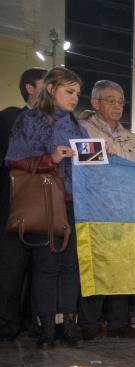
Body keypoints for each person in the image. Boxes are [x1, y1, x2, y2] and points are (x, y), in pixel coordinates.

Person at [5, 67, 89, 349]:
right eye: (69, 91)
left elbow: (90, 165)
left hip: (75, 202)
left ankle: (69, 324)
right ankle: (46, 329)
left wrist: (103, 154)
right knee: (46, 266)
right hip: (44, 201)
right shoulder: (29, 120)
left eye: (77, 93)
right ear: (51, 89)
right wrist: (49, 159)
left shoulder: (78, 127)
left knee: (70, 266)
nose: (75, 97)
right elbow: (13, 159)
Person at [78, 80, 135, 341]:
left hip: (124, 209)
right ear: (95, 103)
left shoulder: (131, 138)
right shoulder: (83, 129)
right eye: (111, 100)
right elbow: (80, 161)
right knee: (96, 265)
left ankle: (119, 322)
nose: (117, 106)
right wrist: (104, 154)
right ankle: (89, 322)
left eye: (121, 102)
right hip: (95, 207)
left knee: (122, 266)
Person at [0, 67, 47, 341]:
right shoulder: (9, 118)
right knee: (11, 267)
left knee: (39, 267)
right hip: (13, 204)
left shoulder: (58, 123)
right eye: (46, 84)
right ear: (30, 88)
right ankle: (7, 323)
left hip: (46, 205)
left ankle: (33, 322)